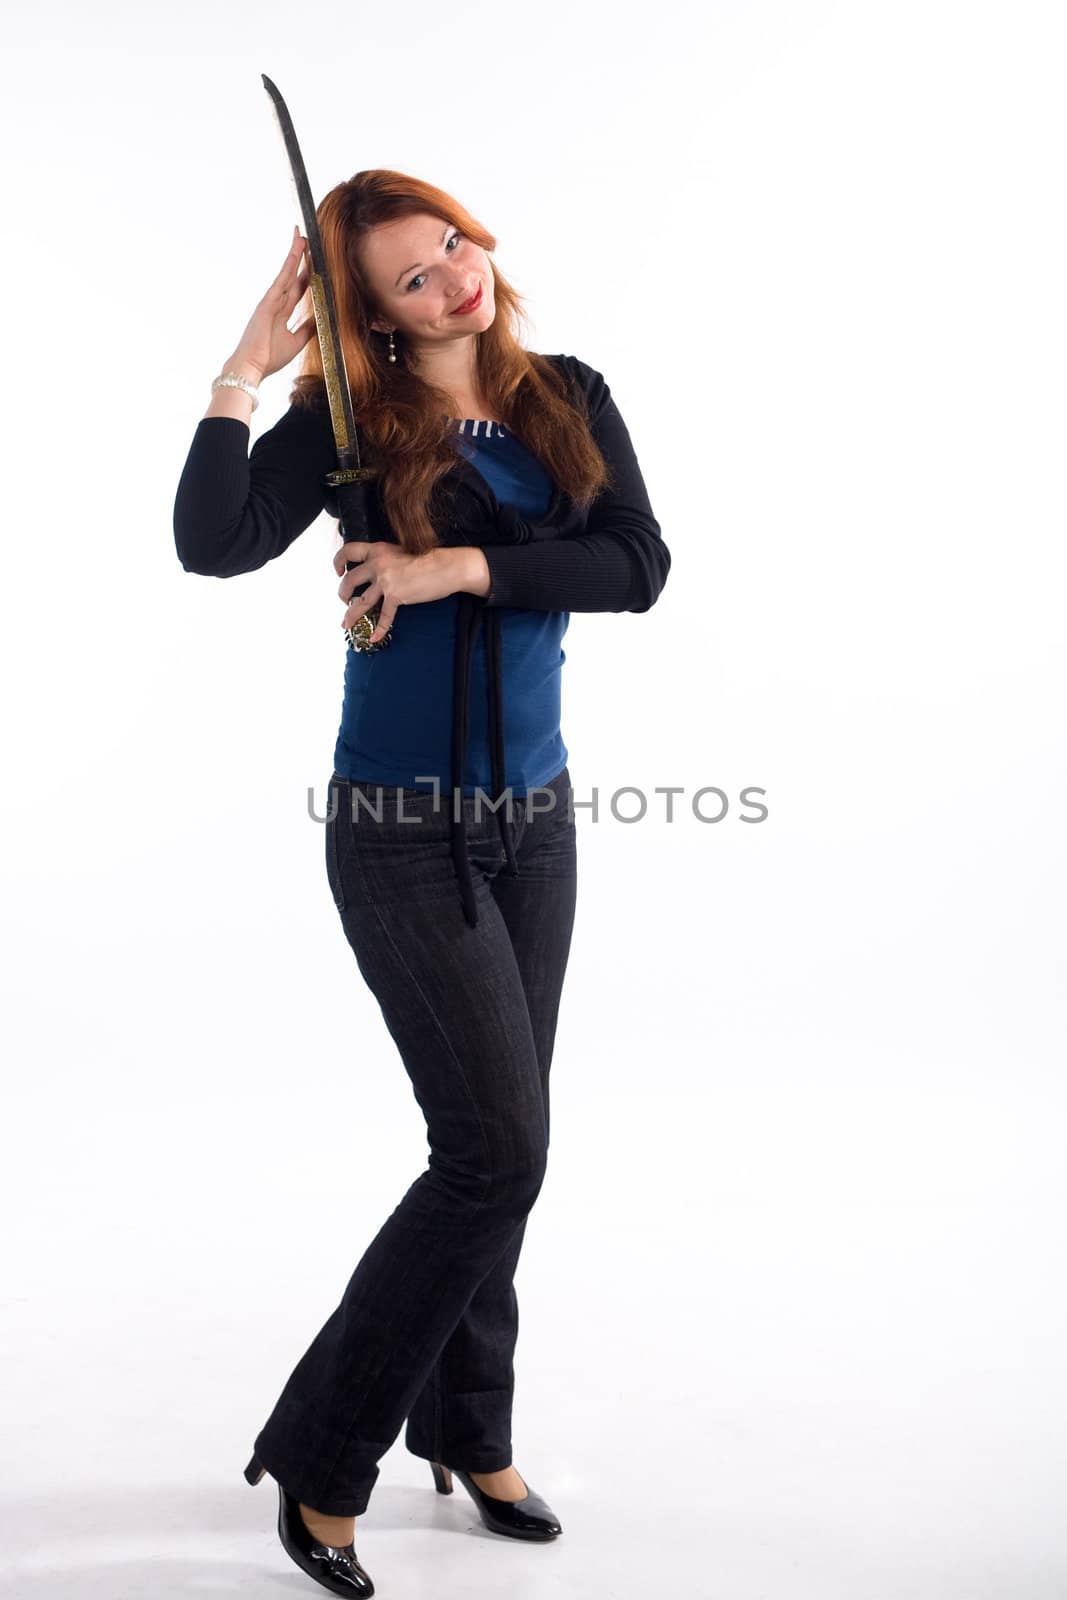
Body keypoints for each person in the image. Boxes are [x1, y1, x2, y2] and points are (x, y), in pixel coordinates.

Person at [172, 168, 670, 1597]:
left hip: (536, 819)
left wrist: (458, 565)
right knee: (494, 1152)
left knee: (506, 1155)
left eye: (451, 242)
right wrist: (239, 376)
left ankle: (472, 1430)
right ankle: (330, 1462)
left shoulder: (566, 390)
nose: (454, 277)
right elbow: (214, 547)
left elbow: (636, 564)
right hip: (399, 831)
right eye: (410, 275)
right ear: (372, 321)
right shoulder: (343, 423)